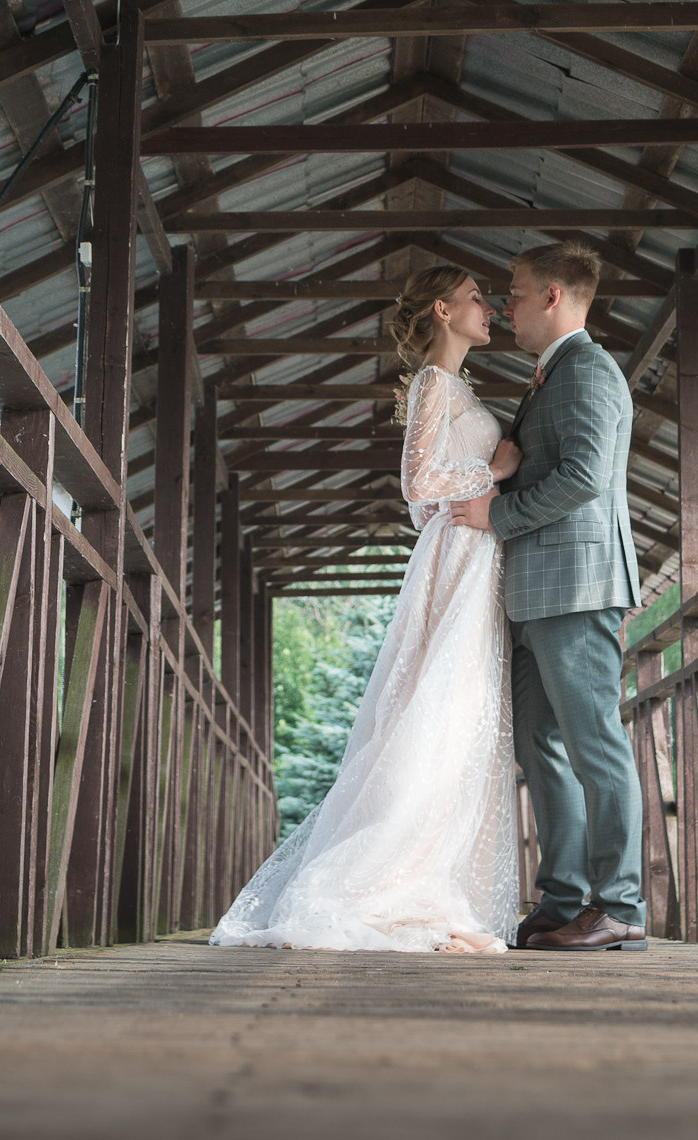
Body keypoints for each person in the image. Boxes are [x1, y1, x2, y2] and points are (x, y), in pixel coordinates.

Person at [211, 266, 521, 953]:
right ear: (442, 309)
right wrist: (495, 474)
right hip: (458, 555)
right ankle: (383, 881)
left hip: (474, 556)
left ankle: (432, 879)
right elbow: (418, 487)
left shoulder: (455, 387)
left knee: (461, 720)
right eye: (475, 298)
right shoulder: (433, 385)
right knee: (439, 713)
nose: (490, 307)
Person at [454, 241, 648, 952]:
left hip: (577, 586)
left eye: (515, 290)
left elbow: (586, 476)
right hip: (535, 594)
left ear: (555, 296)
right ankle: (563, 898)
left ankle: (620, 905)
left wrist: (495, 517)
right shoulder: (550, 376)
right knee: (540, 747)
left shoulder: (588, 369)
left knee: (594, 741)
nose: (506, 304)